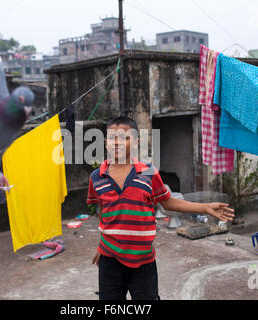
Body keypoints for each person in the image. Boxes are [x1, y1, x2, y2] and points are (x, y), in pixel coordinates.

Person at [87, 116, 235, 300]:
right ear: (105, 142)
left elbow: (167, 202)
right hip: (110, 259)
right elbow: (104, 212)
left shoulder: (149, 172)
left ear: (135, 142)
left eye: (124, 137)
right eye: (111, 137)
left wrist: (204, 208)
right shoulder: (97, 177)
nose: (117, 143)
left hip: (143, 260)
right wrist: (102, 247)